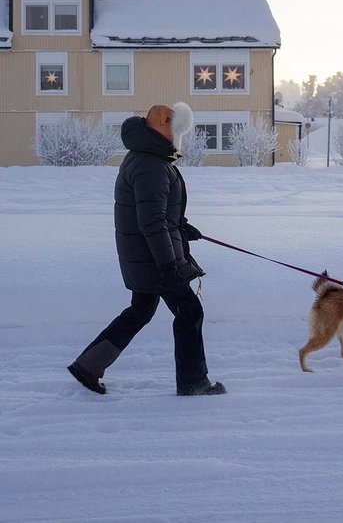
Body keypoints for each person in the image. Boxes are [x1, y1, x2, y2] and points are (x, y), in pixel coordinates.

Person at [68, 102, 226, 397]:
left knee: (140, 310)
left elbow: (157, 213)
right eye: (173, 126)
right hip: (155, 259)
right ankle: (194, 382)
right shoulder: (151, 165)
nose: (176, 133)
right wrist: (169, 265)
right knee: (190, 311)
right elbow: (151, 222)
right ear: (161, 128)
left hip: (145, 255)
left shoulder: (147, 158)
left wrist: (182, 227)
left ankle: (88, 365)